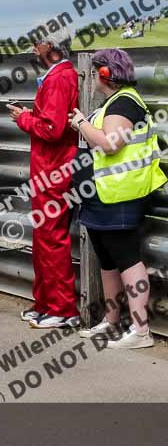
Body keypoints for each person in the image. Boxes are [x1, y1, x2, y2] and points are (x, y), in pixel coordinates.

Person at [70, 49, 166, 348]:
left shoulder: (124, 103)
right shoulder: (114, 102)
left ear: (105, 73)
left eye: (98, 69)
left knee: (127, 259)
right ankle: (111, 321)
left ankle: (141, 330)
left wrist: (81, 123)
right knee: (108, 258)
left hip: (119, 195)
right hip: (103, 194)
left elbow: (110, 145)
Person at [7, 29, 79, 329]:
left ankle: (63, 309)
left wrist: (24, 118)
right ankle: (46, 304)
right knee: (43, 240)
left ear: (51, 46)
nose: (33, 48)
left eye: (37, 43)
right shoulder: (57, 75)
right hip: (48, 169)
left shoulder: (60, 78)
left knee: (52, 240)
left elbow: (52, 128)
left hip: (54, 170)